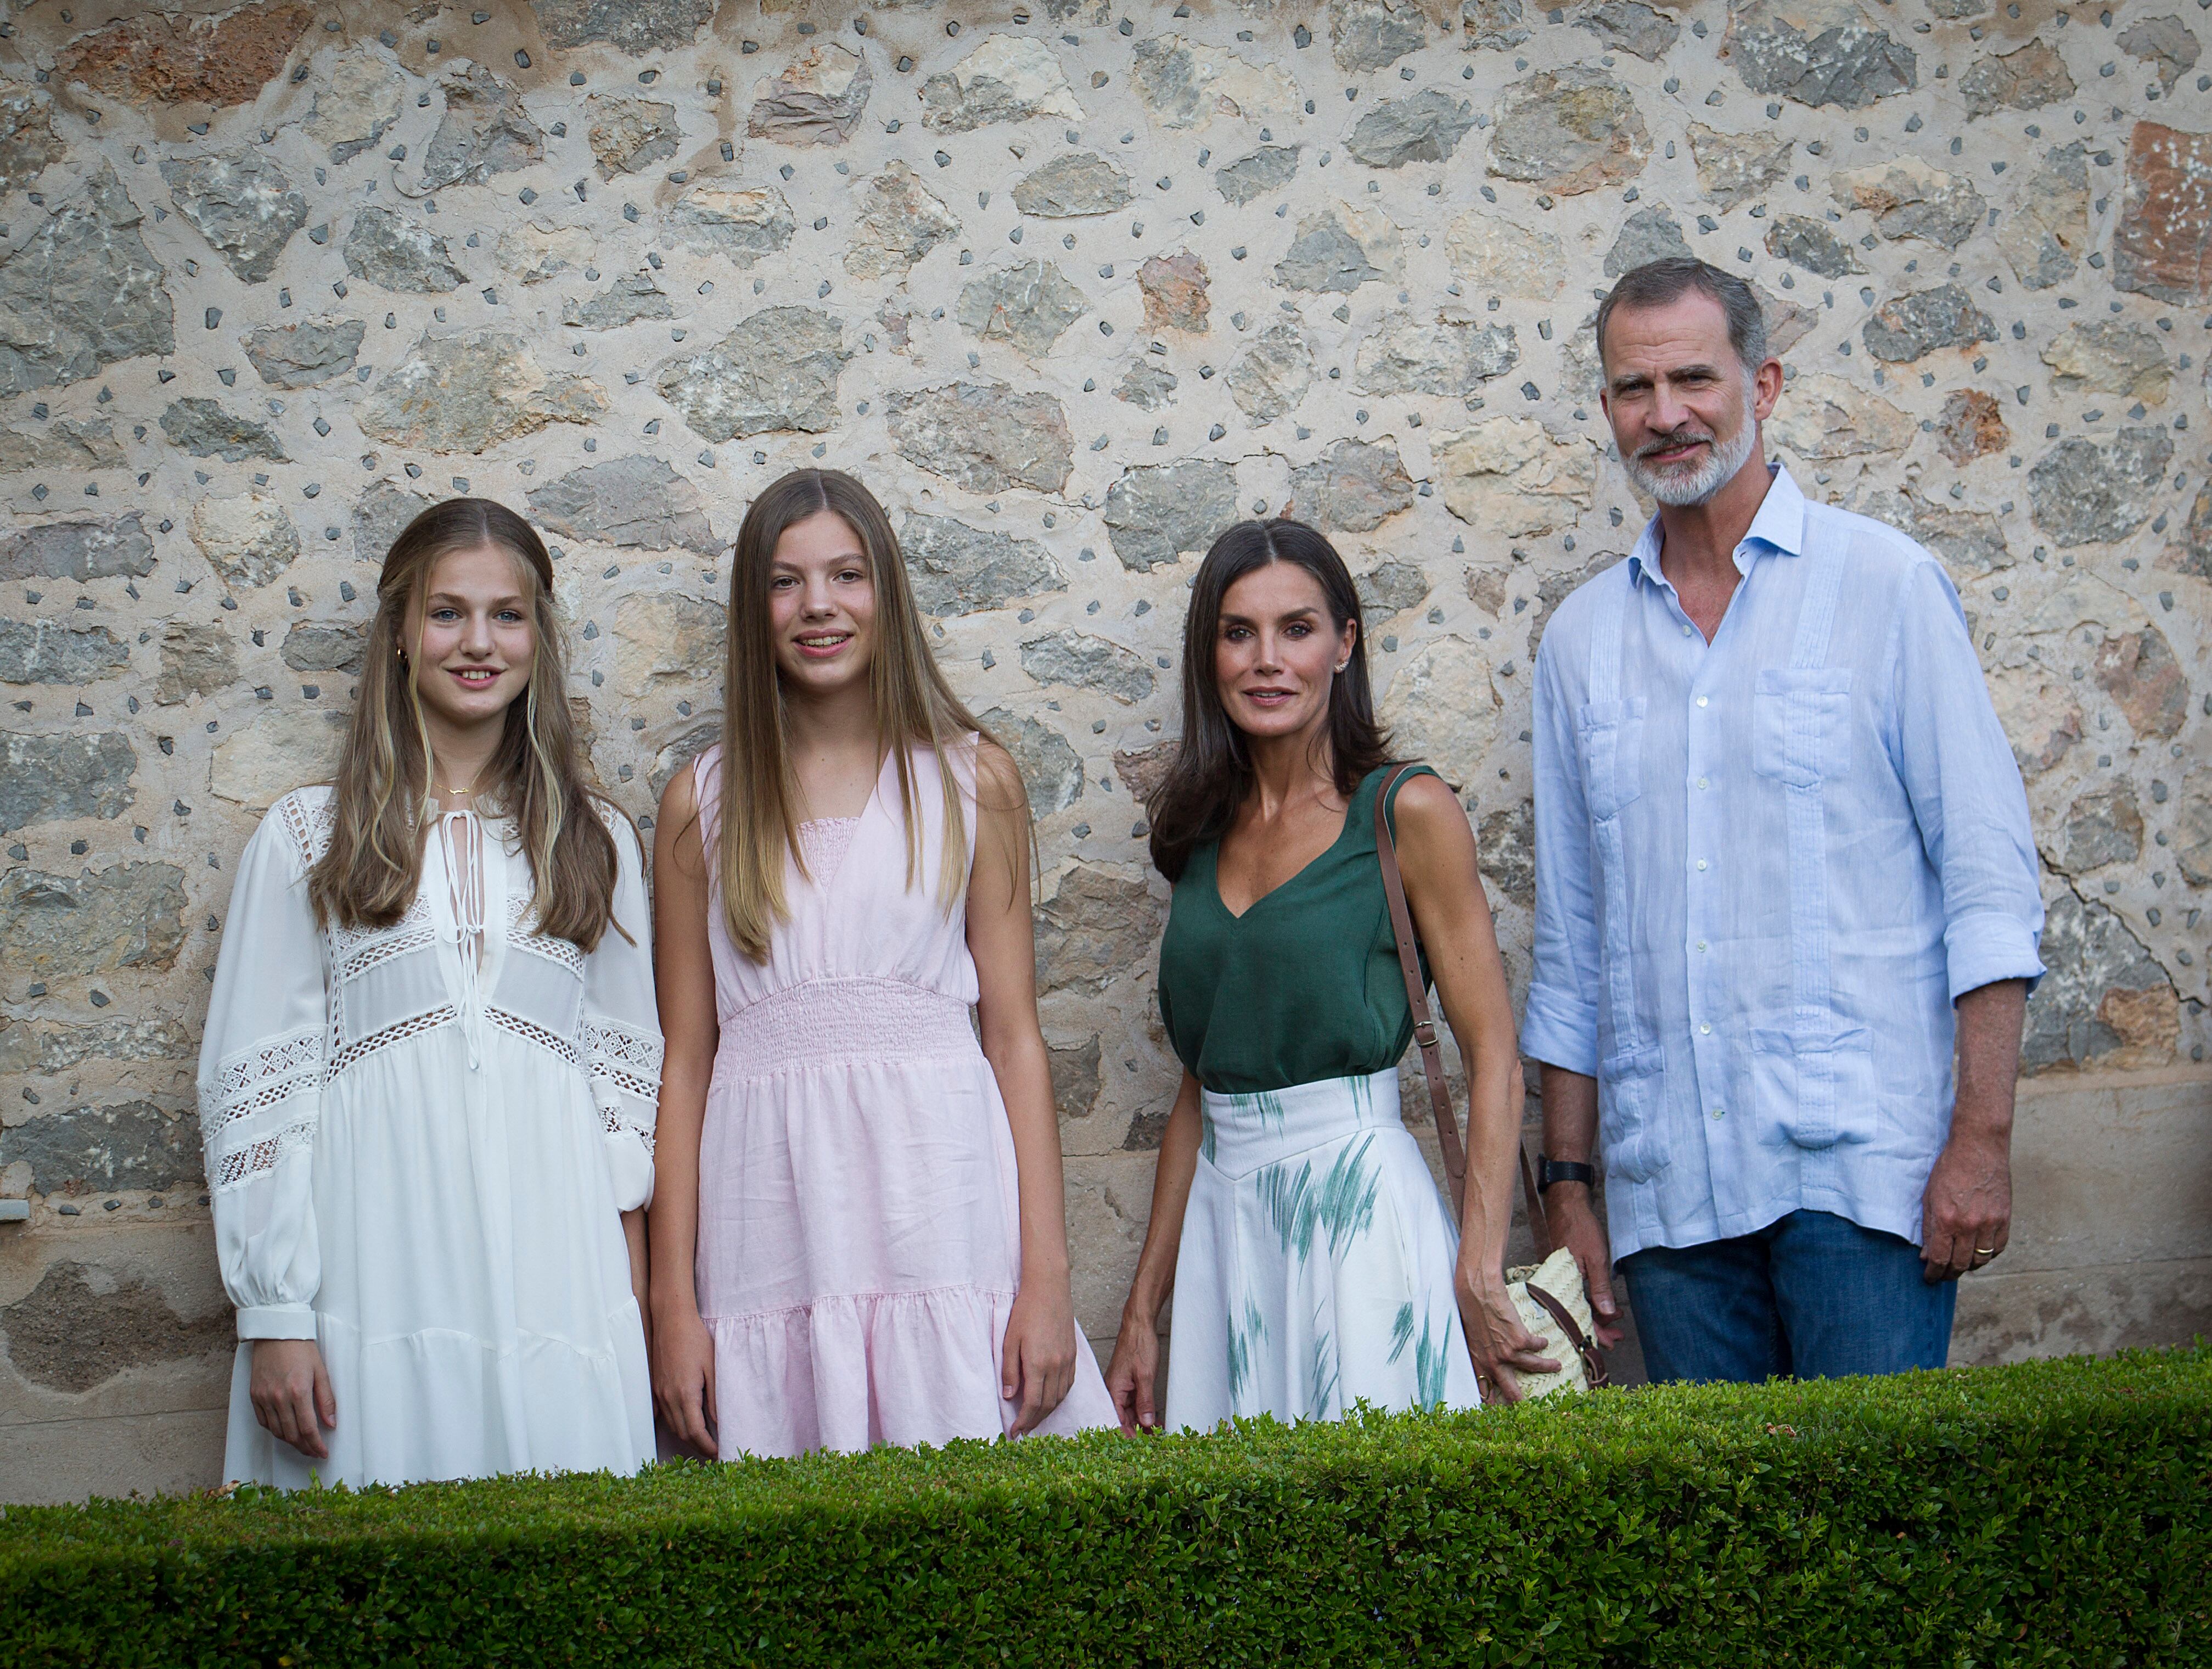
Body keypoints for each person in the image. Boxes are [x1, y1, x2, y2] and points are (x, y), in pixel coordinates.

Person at [1524, 257, 2044, 1384]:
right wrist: (1566, 1191)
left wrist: (1980, 1139)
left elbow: (1988, 885)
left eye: (1691, 379)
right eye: (1630, 388)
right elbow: (1572, 948)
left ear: (1761, 385)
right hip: (1669, 1199)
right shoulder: (1577, 645)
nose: (1663, 415)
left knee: (1877, 1538)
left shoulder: (1885, 587)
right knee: (1711, 1551)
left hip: (1862, 1184)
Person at [647, 468, 1116, 1457]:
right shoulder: (702, 805)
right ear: (752, 608)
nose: (818, 605)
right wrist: (672, 1304)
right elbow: (684, 1062)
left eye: (846, 575)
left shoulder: (970, 782)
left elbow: (1015, 1039)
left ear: (885, 593)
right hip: (767, 1215)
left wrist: (1045, 1278)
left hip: (937, 1204)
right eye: (785, 582)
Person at [197, 499, 661, 1488]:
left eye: (507, 615)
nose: (478, 643)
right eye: (447, 614)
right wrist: (275, 1313)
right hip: (375, 1267)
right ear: (400, 636)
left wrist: (627, 1323)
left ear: (539, 635)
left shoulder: (596, 843)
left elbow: (628, 1105)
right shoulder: (308, 837)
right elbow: (259, 1083)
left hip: (556, 1274)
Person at [1103, 518, 1554, 1433]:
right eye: (1238, 633)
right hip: (1226, 1233)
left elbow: (1494, 1054)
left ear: (1344, 644)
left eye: (1296, 629)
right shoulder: (1196, 833)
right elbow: (1202, 1087)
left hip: (1359, 1210)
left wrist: (1476, 1265)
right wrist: (1143, 1312)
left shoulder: (1404, 812)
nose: (1267, 660)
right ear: (1211, 654)